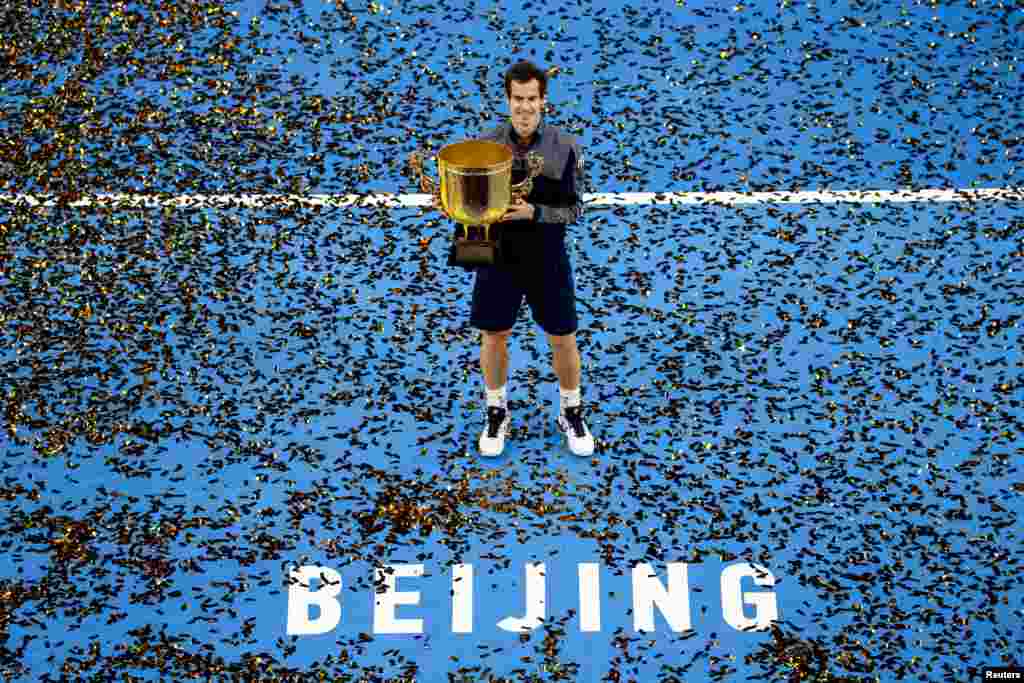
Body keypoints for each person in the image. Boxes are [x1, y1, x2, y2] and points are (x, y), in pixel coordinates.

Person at [439, 60, 594, 458]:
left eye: (532, 99)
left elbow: (576, 209)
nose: (524, 107)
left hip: (547, 259)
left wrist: (535, 213)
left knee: (563, 337)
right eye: (517, 99)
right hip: (500, 258)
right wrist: (456, 209)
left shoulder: (566, 147)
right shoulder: (484, 147)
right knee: (494, 335)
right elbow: (472, 203)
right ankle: (496, 411)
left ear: (544, 101)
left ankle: (571, 411)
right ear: (507, 101)